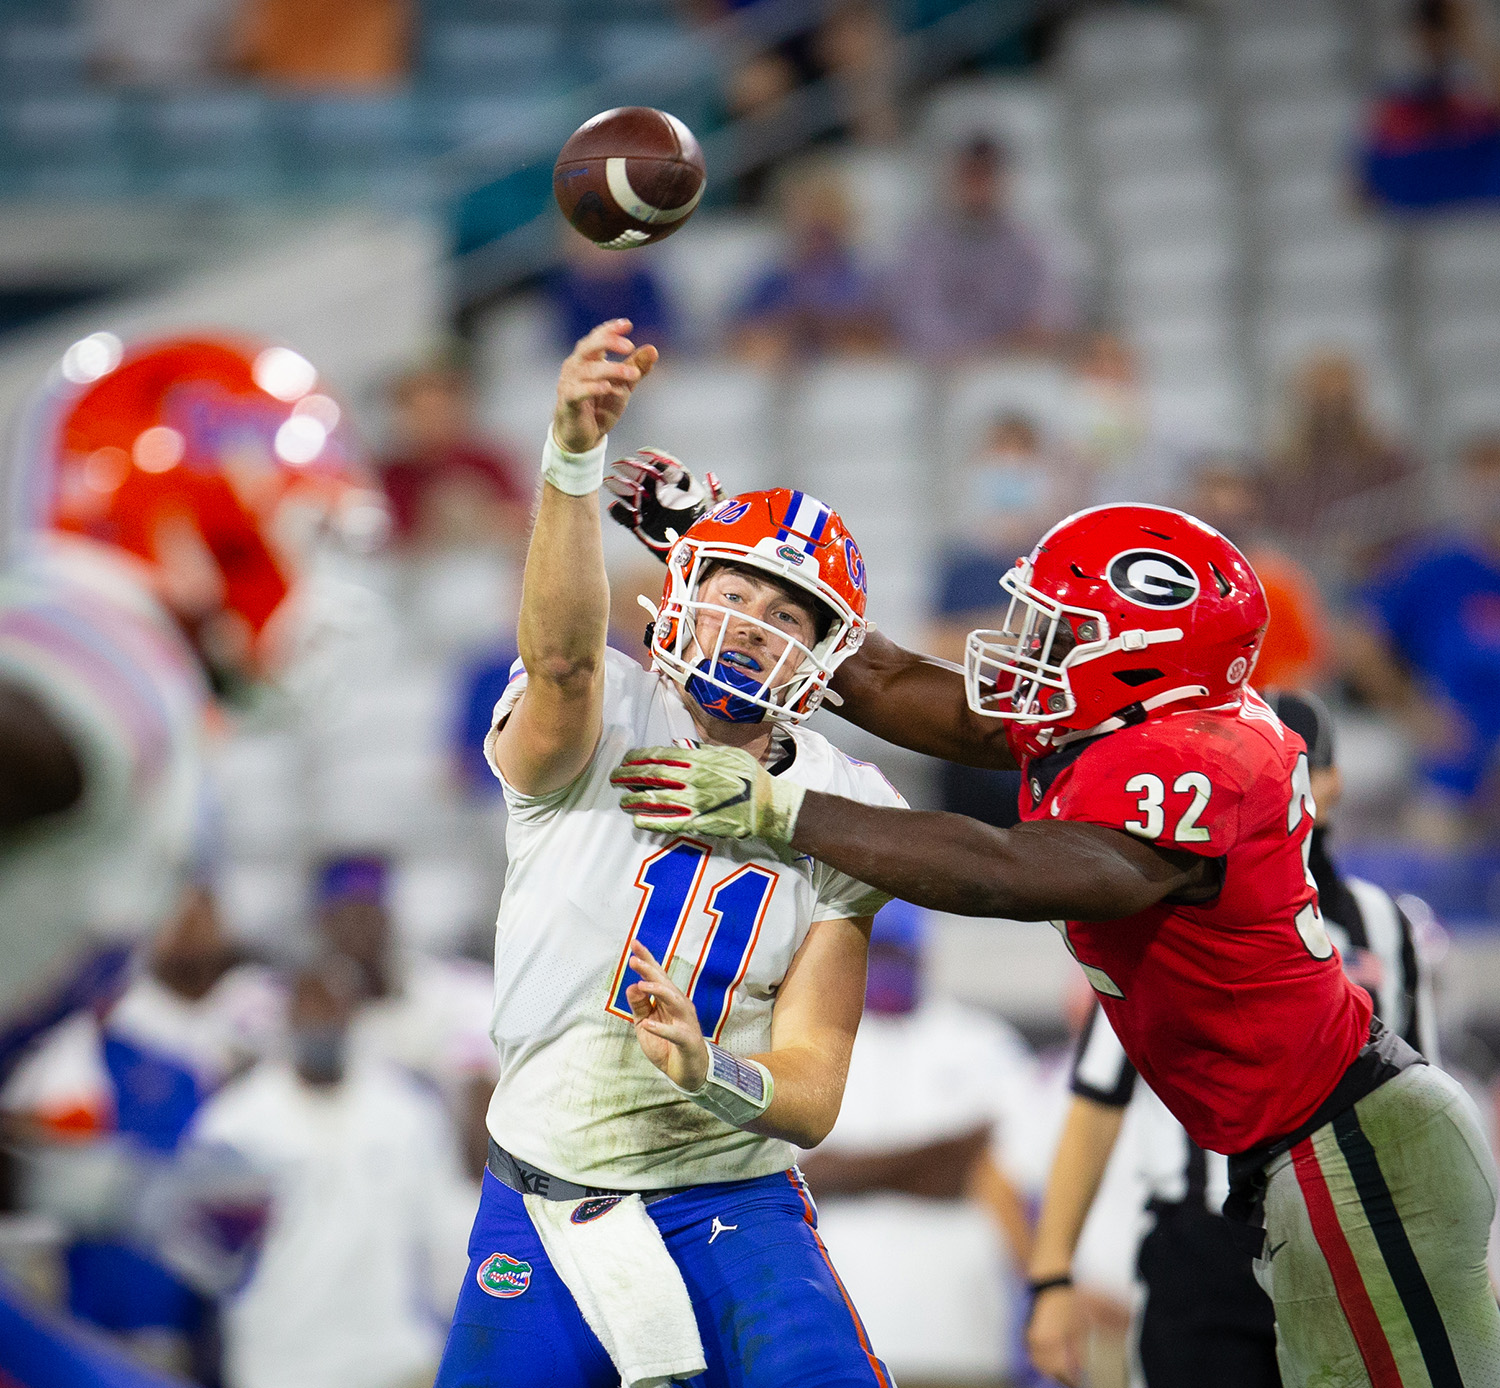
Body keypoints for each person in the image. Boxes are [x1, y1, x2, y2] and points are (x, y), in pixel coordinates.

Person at [611, 498, 1500, 1387]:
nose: (1030, 646)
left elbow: (1009, 870)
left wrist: (787, 810)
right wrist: (741, 565)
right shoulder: (1132, 721)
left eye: (1063, 631)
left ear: (1143, 658)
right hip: (1305, 1150)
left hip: (1355, 1144)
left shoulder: (1207, 759)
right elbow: (911, 694)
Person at [434, 319, 904, 1388]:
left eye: (785, 610)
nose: (748, 623)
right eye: (733, 591)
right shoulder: (608, 705)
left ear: (825, 654)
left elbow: (814, 1084)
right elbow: (556, 660)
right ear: (681, 583)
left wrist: (710, 1066)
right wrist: (571, 456)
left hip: (731, 1189)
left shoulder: (847, 800)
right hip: (547, 1185)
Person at [1026, 689, 1440, 1388]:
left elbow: (1415, 1101)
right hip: (1203, 1237)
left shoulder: (1385, 926)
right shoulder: (1157, 908)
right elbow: (1098, 1098)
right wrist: (1051, 1276)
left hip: (1345, 1240)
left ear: (1329, 784)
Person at [188, 956, 474, 1388]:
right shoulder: (235, 1125)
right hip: (281, 1372)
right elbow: (202, 1260)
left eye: (332, 1008)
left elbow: (447, 1240)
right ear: (287, 1018)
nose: (321, 1022)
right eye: (309, 1008)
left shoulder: (406, 1111)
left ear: (353, 1015)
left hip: (396, 1362)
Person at [798, 899, 1041, 1387]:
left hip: (963, 1335)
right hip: (837, 1330)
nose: (883, 966)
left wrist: (848, 1171)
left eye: (895, 951)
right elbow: (802, 1178)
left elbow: (1010, 1180)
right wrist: (947, 1157)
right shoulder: (804, 1041)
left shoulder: (982, 1042)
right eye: (871, 951)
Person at [1345, 430, 1500, 845]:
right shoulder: (1434, 566)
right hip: (1449, 760)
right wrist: (1412, 711)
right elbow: (1362, 643)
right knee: (1435, 850)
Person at [889, 135, 1074, 362]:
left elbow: (1051, 320)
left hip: (1014, 370)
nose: (978, 186)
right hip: (943, 375)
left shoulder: (1029, 244)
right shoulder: (922, 243)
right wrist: (991, 346)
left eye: (986, 175)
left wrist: (1014, 344)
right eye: (970, 175)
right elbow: (920, 326)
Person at [731, 164, 891, 364]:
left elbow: (878, 336)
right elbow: (739, 334)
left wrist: (829, 326)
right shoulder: (772, 280)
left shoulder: (863, 278)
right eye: (804, 214)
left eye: (823, 214)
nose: (813, 223)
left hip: (845, 376)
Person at [377, 361, 529, 552]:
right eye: (421, 413)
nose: (432, 422)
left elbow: (524, 523)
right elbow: (385, 541)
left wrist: (485, 515)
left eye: (439, 411)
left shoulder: (487, 463)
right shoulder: (391, 477)